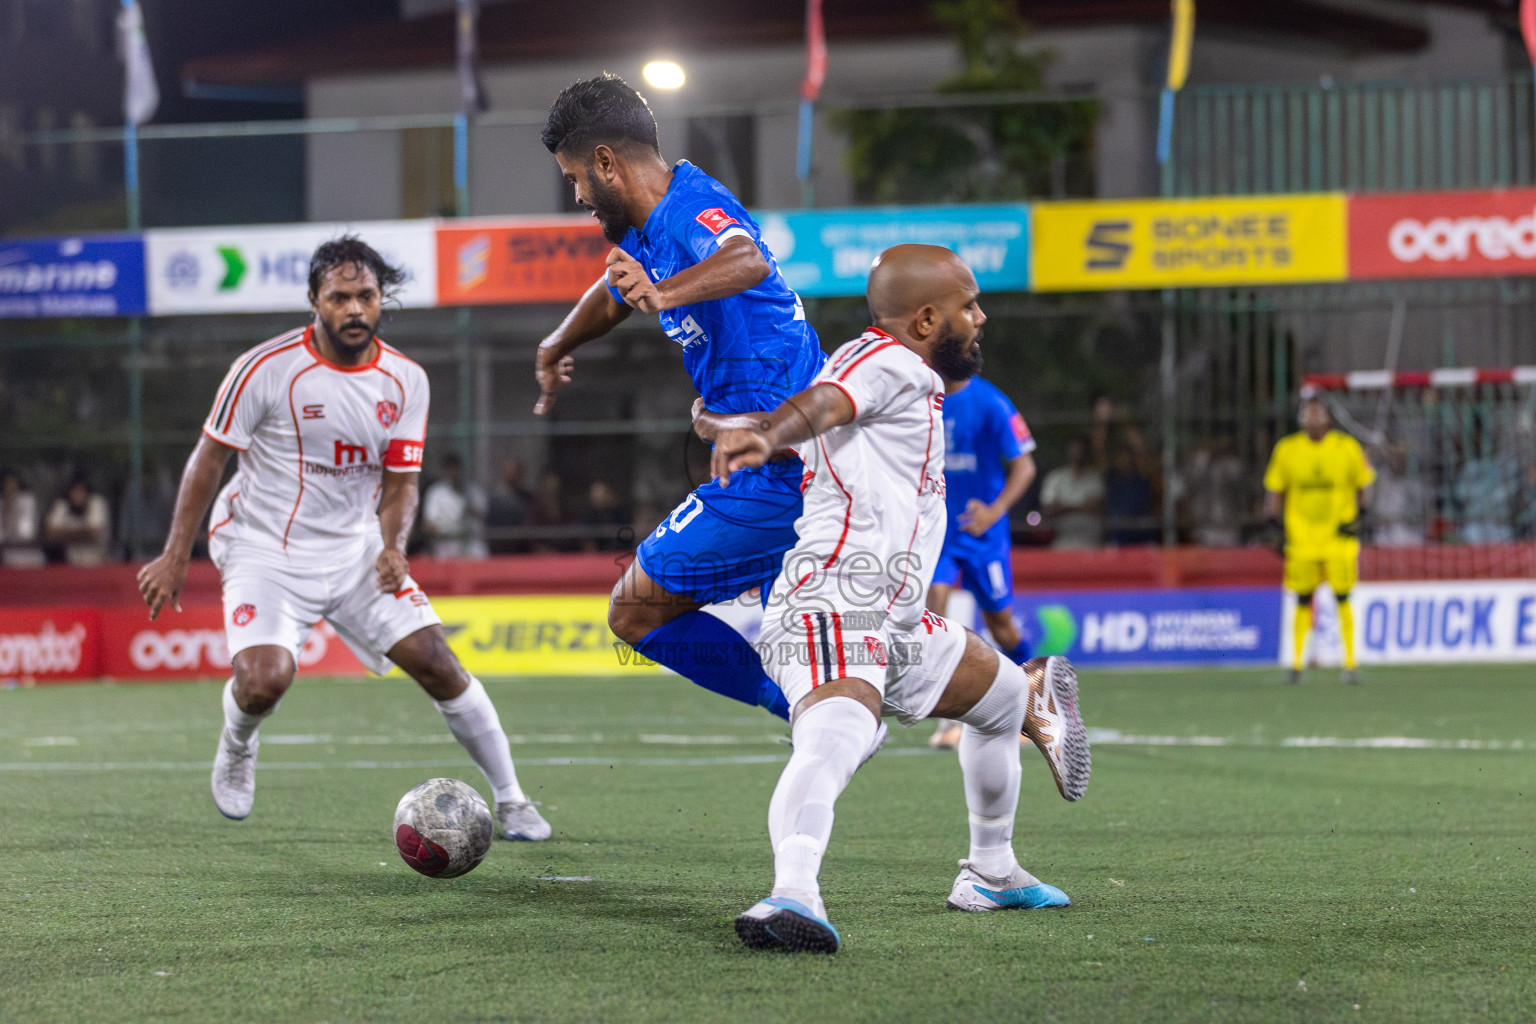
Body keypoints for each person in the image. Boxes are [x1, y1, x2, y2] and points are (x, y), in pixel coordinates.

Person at [712, 245, 1091, 953]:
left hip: (897, 619)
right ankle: (790, 893)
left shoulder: (910, 379)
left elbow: (826, 413)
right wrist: (768, 432)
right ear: (925, 319)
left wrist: (772, 428)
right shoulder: (889, 361)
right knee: (841, 731)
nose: (980, 318)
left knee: (1005, 701)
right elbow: (826, 401)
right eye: (968, 305)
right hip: (833, 603)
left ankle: (991, 871)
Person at [136, 237, 549, 842]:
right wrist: (175, 554)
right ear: (314, 301)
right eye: (339, 297)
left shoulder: (405, 380)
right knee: (263, 681)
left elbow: (402, 484)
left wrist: (393, 545)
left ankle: (512, 801)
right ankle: (237, 745)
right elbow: (208, 460)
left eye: (366, 296)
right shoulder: (264, 368)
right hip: (264, 548)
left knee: (438, 662)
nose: (354, 308)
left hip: (355, 548)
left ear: (381, 300)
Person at [533, 74, 824, 720]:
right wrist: (557, 344)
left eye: (576, 176)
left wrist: (662, 295)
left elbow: (747, 260)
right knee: (822, 650)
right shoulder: (643, 230)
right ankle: (1014, 693)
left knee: (634, 611)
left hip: (779, 467)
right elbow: (614, 294)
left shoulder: (690, 207)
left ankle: (810, 711)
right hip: (781, 457)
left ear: (606, 162)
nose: (577, 193)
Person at [925, 374, 1037, 751]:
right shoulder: (922, 396)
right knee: (933, 616)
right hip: (939, 531)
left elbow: (1025, 466)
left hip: (982, 536)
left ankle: (1037, 700)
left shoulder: (991, 402)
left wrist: (995, 511)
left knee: (1002, 628)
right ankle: (947, 723)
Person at [1263, 395, 1375, 685]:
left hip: (1338, 538)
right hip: (1301, 539)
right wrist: (1272, 526)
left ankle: (1350, 664)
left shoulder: (1346, 447)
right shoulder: (1287, 449)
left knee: (1343, 598)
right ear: (1300, 418)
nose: (1312, 418)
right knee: (1301, 599)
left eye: (1318, 412)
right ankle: (1296, 664)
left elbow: (1365, 484)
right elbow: (1274, 490)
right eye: (1307, 413)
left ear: (1328, 417)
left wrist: (1360, 516)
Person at [1040, 435, 1104, 548]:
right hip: (1062, 541)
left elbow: (1096, 506)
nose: (1078, 453)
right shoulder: (1055, 477)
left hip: (1090, 542)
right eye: (1074, 449)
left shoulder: (1095, 478)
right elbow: (1049, 508)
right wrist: (1082, 506)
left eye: (1081, 449)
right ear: (1068, 451)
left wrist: (1064, 507)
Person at [422, 453, 488, 559]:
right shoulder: (436, 492)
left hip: (471, 541)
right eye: (450, 468)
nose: (453, 472)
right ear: (445, 470)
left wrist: (467, 507)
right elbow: (430, 524)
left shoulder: (473, 491)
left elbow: (481, 516)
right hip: (446, 543)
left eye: (456, 468)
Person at [44, 471, 110, 566]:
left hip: (96, 562)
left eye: (81, 491)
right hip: (70, 563)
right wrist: (82, 532)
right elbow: (50, 532)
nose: (78, 495)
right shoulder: (62, 505)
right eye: (74, 491)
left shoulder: (96, 502)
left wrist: (64, 533)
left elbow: (94, 533)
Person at [0, 468, 43, 567]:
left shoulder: (28, 500)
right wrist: (5, 513)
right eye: (6, 483)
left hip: (31, 554)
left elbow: (26, 533)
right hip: (10, 557)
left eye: (12, 483)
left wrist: (15, 510)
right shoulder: (1, 503)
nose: (9, 487)